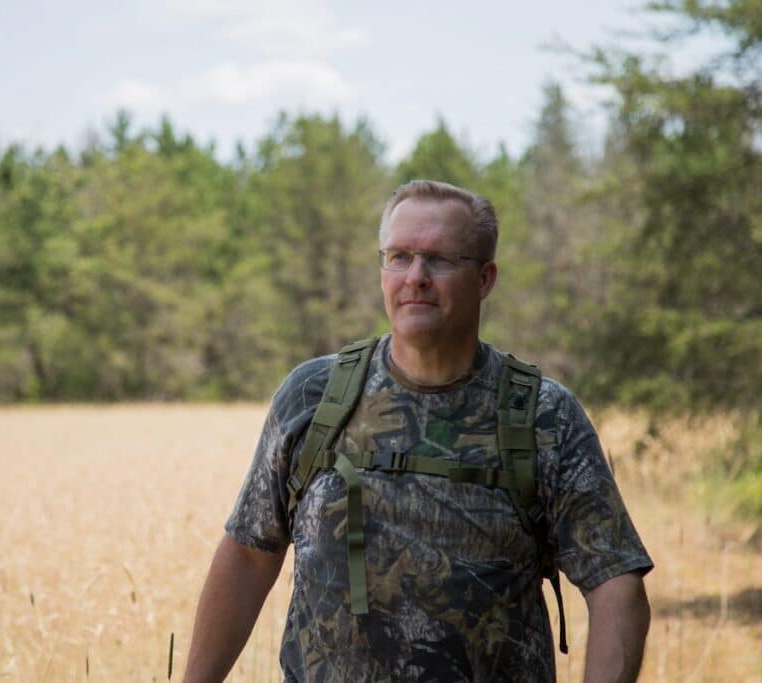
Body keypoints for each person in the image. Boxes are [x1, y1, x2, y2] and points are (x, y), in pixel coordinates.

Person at [183, 180, 653, 682]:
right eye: (399, 256)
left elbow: (616, 584)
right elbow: (249, 557)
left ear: (486, 278)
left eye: (441, 259)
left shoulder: (544, 415)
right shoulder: (313, 396)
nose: (416, 277)